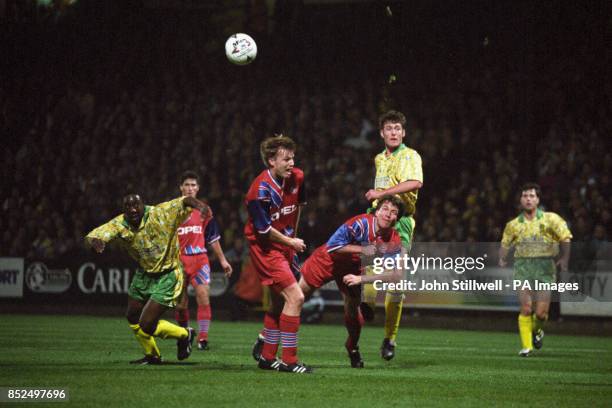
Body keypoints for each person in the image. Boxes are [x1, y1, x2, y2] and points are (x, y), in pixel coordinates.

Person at [85, 194, 209, 365]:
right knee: (132, 315)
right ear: (124, 210)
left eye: (136, 205)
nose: (133, 209)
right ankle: (152, 355)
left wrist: (199, 205)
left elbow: (185, 200)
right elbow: (94, 236)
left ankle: (184, 334)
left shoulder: (160, 213)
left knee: (146, 325)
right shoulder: (120, 224)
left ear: (143, 204)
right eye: (128, 206)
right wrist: (95, 243)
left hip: (168, 274)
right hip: (144, 274)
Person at [299, 195, 403, 368]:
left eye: (393, 212)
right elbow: (333, 245)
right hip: (328, 260)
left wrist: (361, 278)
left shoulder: (394, 239)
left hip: (352, 269)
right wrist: (364, 249)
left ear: (396, 219)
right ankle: (266, 339)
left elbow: (395, 275)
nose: (388, 214)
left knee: (353, 309)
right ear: (376, 212)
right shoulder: (360, 223)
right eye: (385, 209)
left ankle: (352, 348)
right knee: (296, 297)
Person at [244, 135, 311, 373]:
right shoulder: (258, 191)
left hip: (284, 244)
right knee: (296, 297)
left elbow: (297, 210)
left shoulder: (298, 177)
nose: (292, 163)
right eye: (286, 159)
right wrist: (290, 241)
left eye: (293, 157)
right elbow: (263, 230)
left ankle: (267, 356)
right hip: (265, 247)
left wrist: (292, 240)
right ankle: (289, 361)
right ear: (271, 160)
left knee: (279, 302)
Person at [364, 110, 423, 360]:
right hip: (377, 220)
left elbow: (415, 183)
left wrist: (381, 194)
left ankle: (390, 339)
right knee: (367, 267)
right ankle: (366, 304)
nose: (394, 132)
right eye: (389, 128)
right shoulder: (379, 158)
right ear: (381, 133)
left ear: (404, 133)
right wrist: (377, 201)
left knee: (396, 281)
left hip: (401, 222)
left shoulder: (411, 155)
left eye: (398, 128)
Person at [499, 183, 572, 357]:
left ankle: (538, 330)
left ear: (538, 199)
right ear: (520, 200)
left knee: (540, 313)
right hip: (523, 267)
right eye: (525, 196)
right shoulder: (513, 225)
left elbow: (566, 237)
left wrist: (565, 258)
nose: (528, 199)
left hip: (545, 268)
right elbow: (505, 244)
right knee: (525, 308)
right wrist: (502, 257)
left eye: (532, 196)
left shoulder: (551, 219)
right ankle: (526, 347)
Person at [174, 171, 233, 351]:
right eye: (187, 185)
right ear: (181, 188)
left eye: (193, 185)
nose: (190, 188)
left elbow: (212, 238)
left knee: (203, 296)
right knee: (181, 302)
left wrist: (223, 261)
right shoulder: (172, 210)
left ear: (198, 188)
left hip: (200, 259)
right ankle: (184, 336)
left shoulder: (204, 210)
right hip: (179, 261)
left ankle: (203, 338)